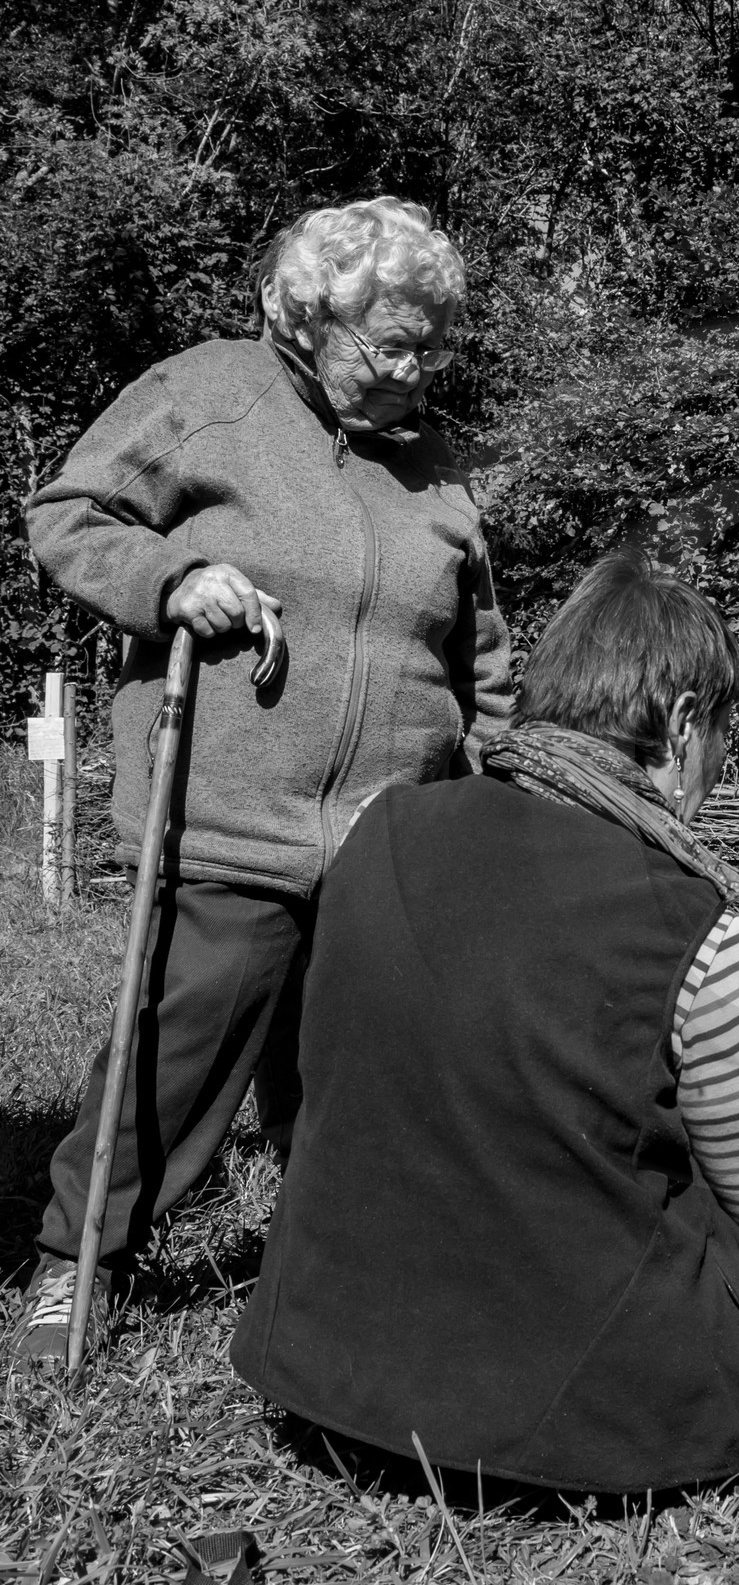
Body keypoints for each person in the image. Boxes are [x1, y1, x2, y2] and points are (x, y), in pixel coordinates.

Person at [231, 552, 739, 1492]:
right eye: (724, 733)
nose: (720, 769)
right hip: (564, 1402)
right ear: (685, 724)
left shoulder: (379, 830)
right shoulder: (694, 926)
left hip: (327, 1357)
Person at [15, 197, 513, 1366]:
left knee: (360, 1062)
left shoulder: (431, 465)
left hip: (392, 829)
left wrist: (502, 768)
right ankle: (77, 1261)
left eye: (434, 344)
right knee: (178, 1053)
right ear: (310, 313)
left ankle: (340, 1259)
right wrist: (172, 576)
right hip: (231, 813)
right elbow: (67, 516)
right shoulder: (210, 393)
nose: (416, 368)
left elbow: (478, 645)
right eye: (394, 342)